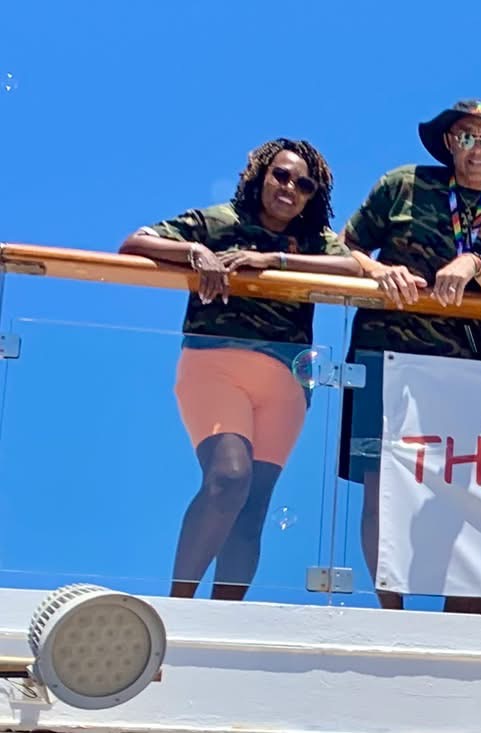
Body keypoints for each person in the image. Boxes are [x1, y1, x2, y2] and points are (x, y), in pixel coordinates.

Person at [119, 139, 361, 601]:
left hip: (287, 382)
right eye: (281, 176)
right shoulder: (220, 221)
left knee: (253, 508)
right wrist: (195, 251)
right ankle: (180, 607)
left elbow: (354, 269)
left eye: (304, 185)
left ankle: (222, 616)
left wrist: (274, 261)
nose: (290, 188)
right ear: (260, 176)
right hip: (215, 364)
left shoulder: (313, 240)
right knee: (229, 479)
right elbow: (134, 244)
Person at [340, 100, 481, 611]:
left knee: (454, 492)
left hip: (459, 371)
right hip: (382, 355)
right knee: (380, 487)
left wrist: (474, 264)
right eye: (467, 136)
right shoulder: (403, 184)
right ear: (449, 143)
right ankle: (391, 612)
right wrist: (378, 271)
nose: (477, 149)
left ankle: (446, 610)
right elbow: (344, 244)